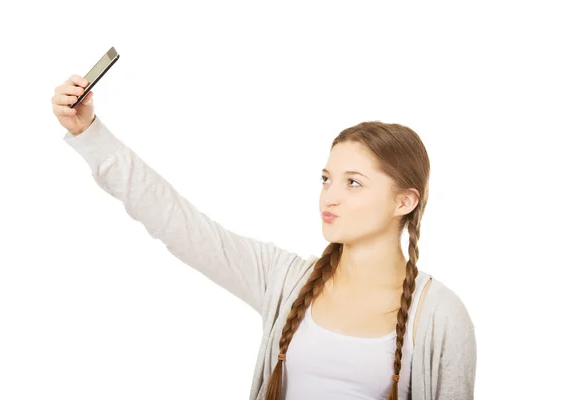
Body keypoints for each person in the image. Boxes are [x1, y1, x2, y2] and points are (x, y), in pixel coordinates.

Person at [52, 74, 477, 400]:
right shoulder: (286, 279)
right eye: (326, 179)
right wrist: (90, 133)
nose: (329, 196)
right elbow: (178, 223)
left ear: (404, 201)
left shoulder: (441, 315)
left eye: (353, 183)